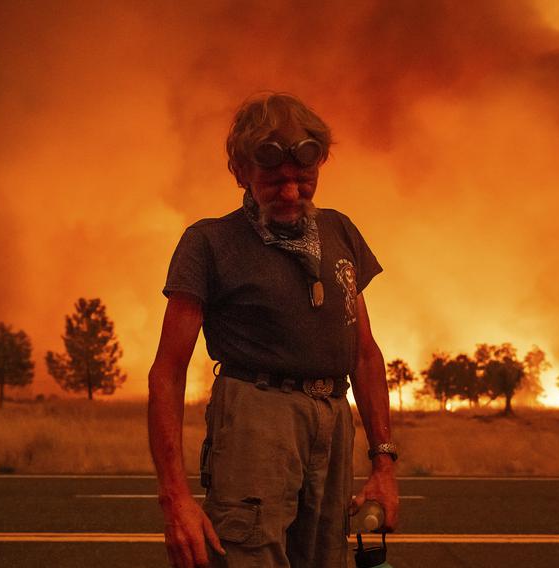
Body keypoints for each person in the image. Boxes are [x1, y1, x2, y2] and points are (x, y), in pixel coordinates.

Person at [148, 92, 399, 568]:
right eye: (273, 180)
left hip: (333, 416)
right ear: (240, 172)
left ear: (319, 164)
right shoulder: (209, 242)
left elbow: (364, 353)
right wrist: (175, 499)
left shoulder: (340, 231)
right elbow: (167, 371)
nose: (290, 194)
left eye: (303, 179)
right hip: (254, 420)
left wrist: (383, 465)